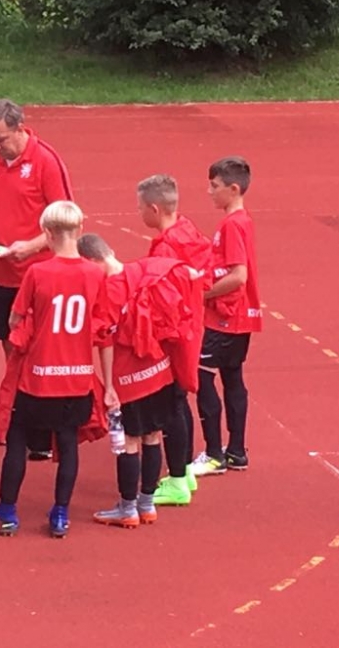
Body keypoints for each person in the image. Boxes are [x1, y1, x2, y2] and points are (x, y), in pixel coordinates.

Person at [0, 202, 111, 538]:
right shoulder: (95, 274)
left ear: (47, 233)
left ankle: (6, 511)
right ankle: (60, 514)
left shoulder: (38, 273)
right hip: (77, 378)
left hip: (39, 378)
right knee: (68, 442)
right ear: (79, 230)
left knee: (17, 438)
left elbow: (15, 318)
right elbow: (101, 324)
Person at [0, 98, 73, 457]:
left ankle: (44, 434)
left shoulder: (45, 161)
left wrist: (31, 246)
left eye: (1, 140)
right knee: (12, 351)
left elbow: (66, 220)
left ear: (19, 128)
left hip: (39, 275)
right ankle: (19, 423)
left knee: (41, 354)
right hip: (0, 275)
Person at [78, 234, 197, 528]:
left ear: (92, 261)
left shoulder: (107, 292)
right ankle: (147, 504)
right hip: (160, 371)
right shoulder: (144, 271)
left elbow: (105, 341)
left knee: (129, 442)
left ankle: (128, 508)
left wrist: (109, 386)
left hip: (129, 379)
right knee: (153, 436)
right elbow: (184, 273)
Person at [138, 174, 212, 505]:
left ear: (154, 209)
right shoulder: (188, 231)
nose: (139, 213)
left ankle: (178, 479)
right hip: (192, 325)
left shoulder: (166, 248)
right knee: (179, 401)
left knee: (171, 405)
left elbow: (164, 300)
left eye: (141, 207)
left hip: (174, 333)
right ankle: (184, 472)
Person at [191, 157, 262, 475]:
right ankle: (235, 451)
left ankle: (214, 453)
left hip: (225, 316)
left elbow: (238, 276)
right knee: (232, 376)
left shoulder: (231, 225)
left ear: (233, 189)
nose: (209, 191)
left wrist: (202, 295)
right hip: (240, 315)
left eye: (214, 186)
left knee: (201, 375)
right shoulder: (242, 221)